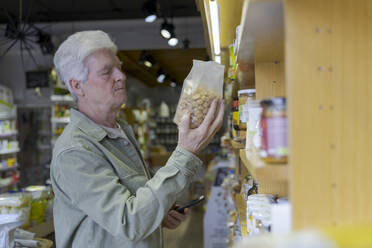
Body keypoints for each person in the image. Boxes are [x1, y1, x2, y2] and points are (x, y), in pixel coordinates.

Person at [51, 30, 224, 248]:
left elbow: (131, 202)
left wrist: (156, 211)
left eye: (119, 67)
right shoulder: (75, 152)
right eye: (106, 72)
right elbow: (129, 222)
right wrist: (185, 153)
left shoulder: (119, 129)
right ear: (77, 85)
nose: (121, 76)